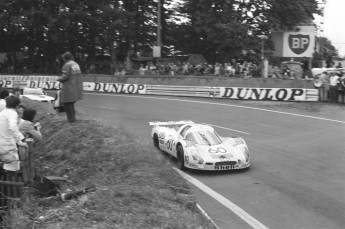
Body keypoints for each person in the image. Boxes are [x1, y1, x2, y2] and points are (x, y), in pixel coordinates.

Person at [0, 96, 27, 171]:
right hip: (7, 146)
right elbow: (12, 127)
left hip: (3, 144)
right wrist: (20, 140)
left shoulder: (2, 113)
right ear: (17, 105)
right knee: (14, 168)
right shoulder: (12, 113)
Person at [56, 51, 83, 122]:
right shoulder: (75, 64)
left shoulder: (67, 65)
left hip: (69, 86)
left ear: (64, 58)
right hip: (76, 86)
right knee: (71, 103)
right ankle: (73, 119)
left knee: (67, 103)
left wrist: (58, 79)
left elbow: (66, 76)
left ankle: (71, 120)